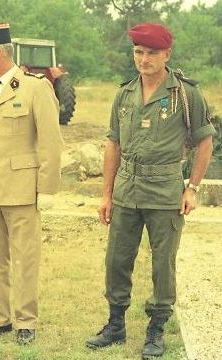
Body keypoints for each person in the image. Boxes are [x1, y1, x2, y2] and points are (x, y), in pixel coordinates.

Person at [85, 23, 215, 359]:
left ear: (166, 54)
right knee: (116, 260)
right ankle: (115, 325)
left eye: (152, 53)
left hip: (164, 192)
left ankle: (156, 329)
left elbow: (204, 142)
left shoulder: (185, 94)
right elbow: (113, 143)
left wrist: (193, 188)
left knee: (162, 265)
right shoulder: (124, 93)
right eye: (139, 52)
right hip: (127, 189)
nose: (144, 59)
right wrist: (106, 194)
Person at [0, 23, 64, 345]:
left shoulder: (35, 87)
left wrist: (46, 190)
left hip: (21, 188)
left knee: (24, 257)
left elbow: (50, 141)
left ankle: (26, 320)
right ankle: (0, 318)